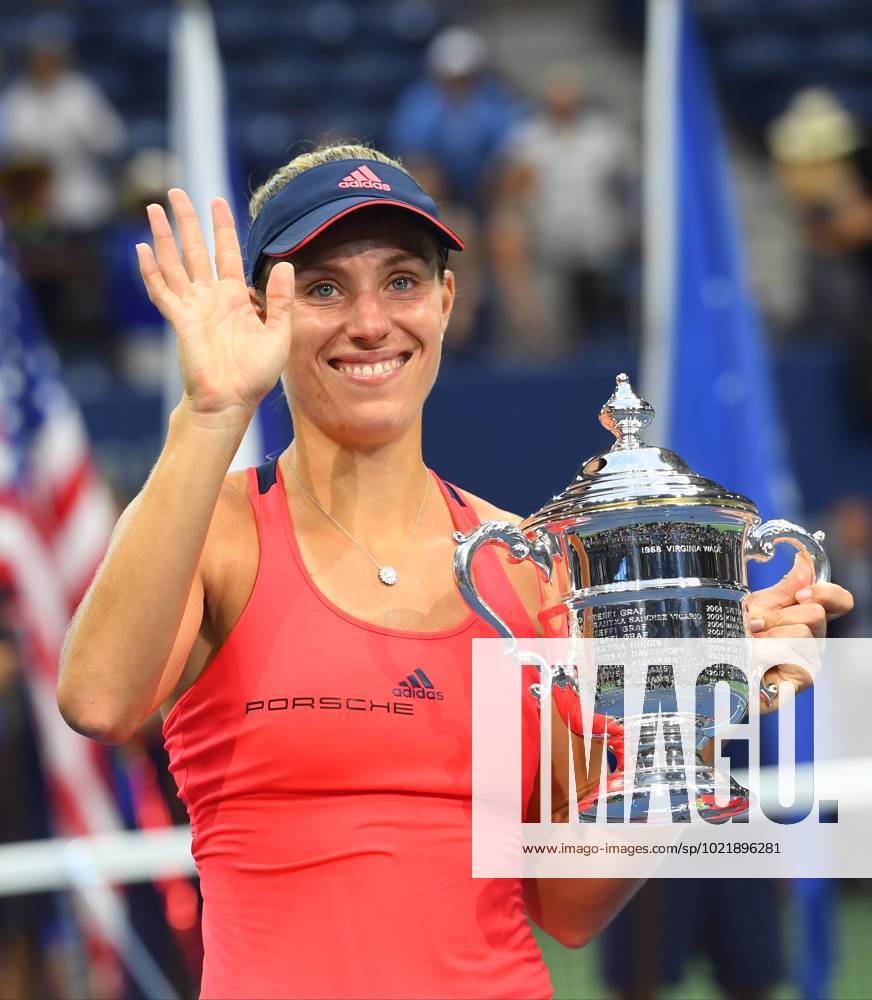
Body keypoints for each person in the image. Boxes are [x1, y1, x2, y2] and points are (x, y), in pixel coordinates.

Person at [56, 143, 853, 998]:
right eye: (324, 287)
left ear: (446, 300)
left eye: (401, 281)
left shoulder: (529, 563)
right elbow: (99, 701)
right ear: (264, 313)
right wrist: (210, 409)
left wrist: (692, 704)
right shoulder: (216, 529)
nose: (370, 321)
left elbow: (570, 903)